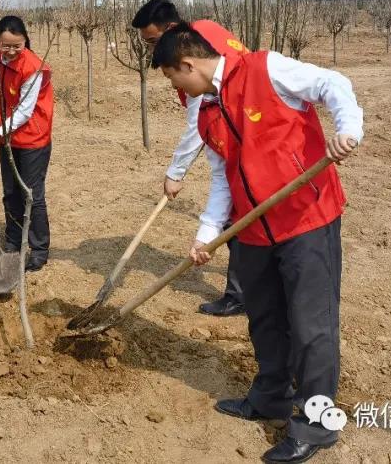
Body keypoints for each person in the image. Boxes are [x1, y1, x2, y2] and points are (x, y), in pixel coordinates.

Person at [151, 24, 362, 464]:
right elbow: (222, 180)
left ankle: (316, 424)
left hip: (306, 219)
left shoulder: (266, 69)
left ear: (188, 64)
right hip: (252, 230)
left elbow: (331, 83)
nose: (177, 88)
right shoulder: (208, 112)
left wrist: (348, 128)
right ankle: (270, 398)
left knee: (310, 326)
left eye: (175, 78)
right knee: (265, 319)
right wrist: (206, 234)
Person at [131, 0, 247, 317]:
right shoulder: (204, 30)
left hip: (243, 133)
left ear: (171, 29)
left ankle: (242, 294)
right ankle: (248, 291)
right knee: (237, 211)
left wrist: (175, 173)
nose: (154, 51)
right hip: (238, 132)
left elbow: (200, 123)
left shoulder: (193, 55)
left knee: (240, 215)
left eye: (154, 41)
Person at [0, 15, 54, 272]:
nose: (9, 51)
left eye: (16, 46)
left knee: (31, 194)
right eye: (5, 45)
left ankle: (39, 250)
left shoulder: (33, 68)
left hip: (32, 136)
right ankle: (13, 242)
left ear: (25, 41)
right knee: (10, 191)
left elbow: (24, 112)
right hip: (6, 134)